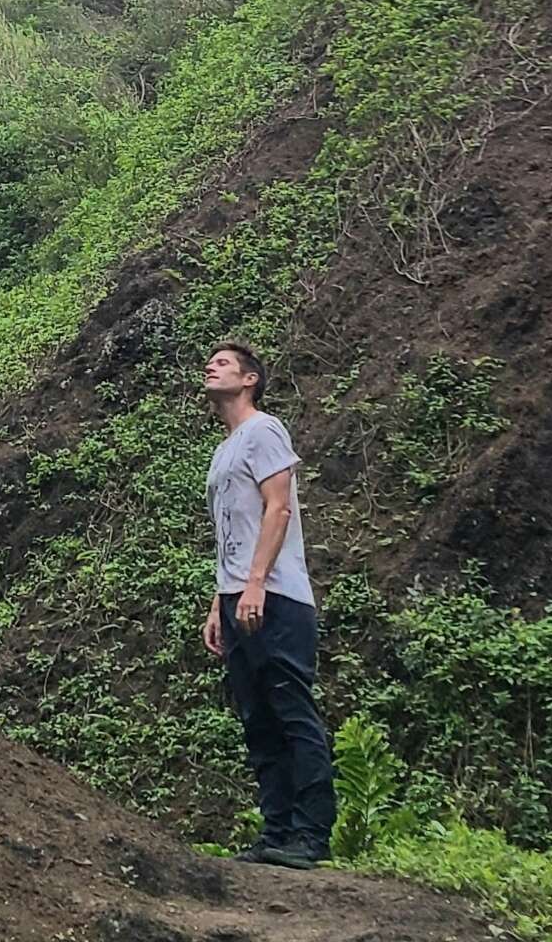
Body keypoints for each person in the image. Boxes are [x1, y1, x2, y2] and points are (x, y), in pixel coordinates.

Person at [201, 341, 336, 868]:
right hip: (240, 599)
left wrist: (255, 584)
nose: (211, 366)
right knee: (258, 721)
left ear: (250, 379)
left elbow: (277, 510)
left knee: (292, 714)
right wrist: (221, 600)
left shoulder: (264, 430)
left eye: (224, 363)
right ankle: (277, 833)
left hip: (277, 598)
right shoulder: (225, 448)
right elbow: (232, 531)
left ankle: (310, 836)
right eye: (211, 362)